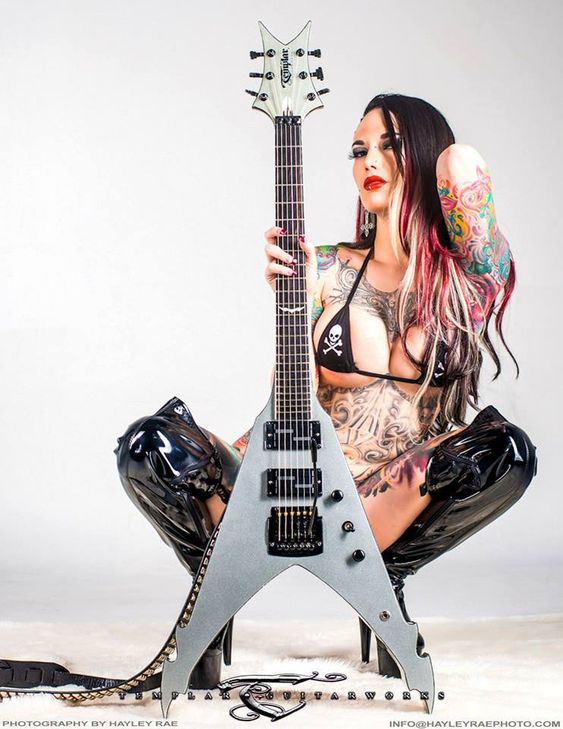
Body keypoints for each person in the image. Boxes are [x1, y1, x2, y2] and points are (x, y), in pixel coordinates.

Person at [114, 93, 538, 683]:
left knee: (507, 452)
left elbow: (461, 165)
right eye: (359, 150)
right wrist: (289, 300)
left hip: (386, 503)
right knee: (149, 444)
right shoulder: (323, 267)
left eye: (390, 145)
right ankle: (211, 595)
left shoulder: (469, 278)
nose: (370, 160)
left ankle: (384, 582)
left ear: (423, 154)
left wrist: (432, 161)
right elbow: (287, 398)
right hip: (295, 480)